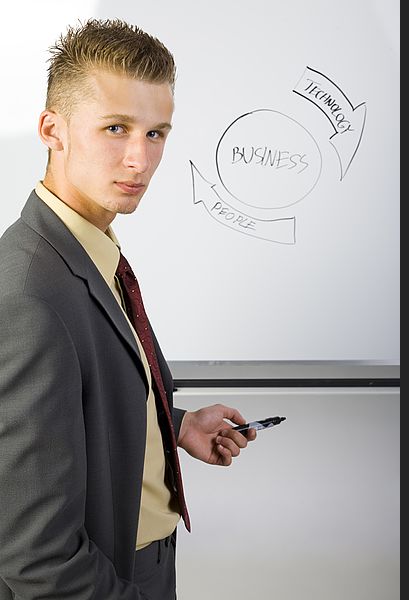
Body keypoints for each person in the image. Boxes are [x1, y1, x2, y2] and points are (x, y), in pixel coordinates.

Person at [0, 19, 256, 600]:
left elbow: (70, 407)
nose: (140, 158)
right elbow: (35, 556)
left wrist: (173, 427)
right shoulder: (27, 293)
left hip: (144, 561)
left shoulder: (89, 252)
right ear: (52, 130)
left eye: (157, 133)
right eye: (116, 128)